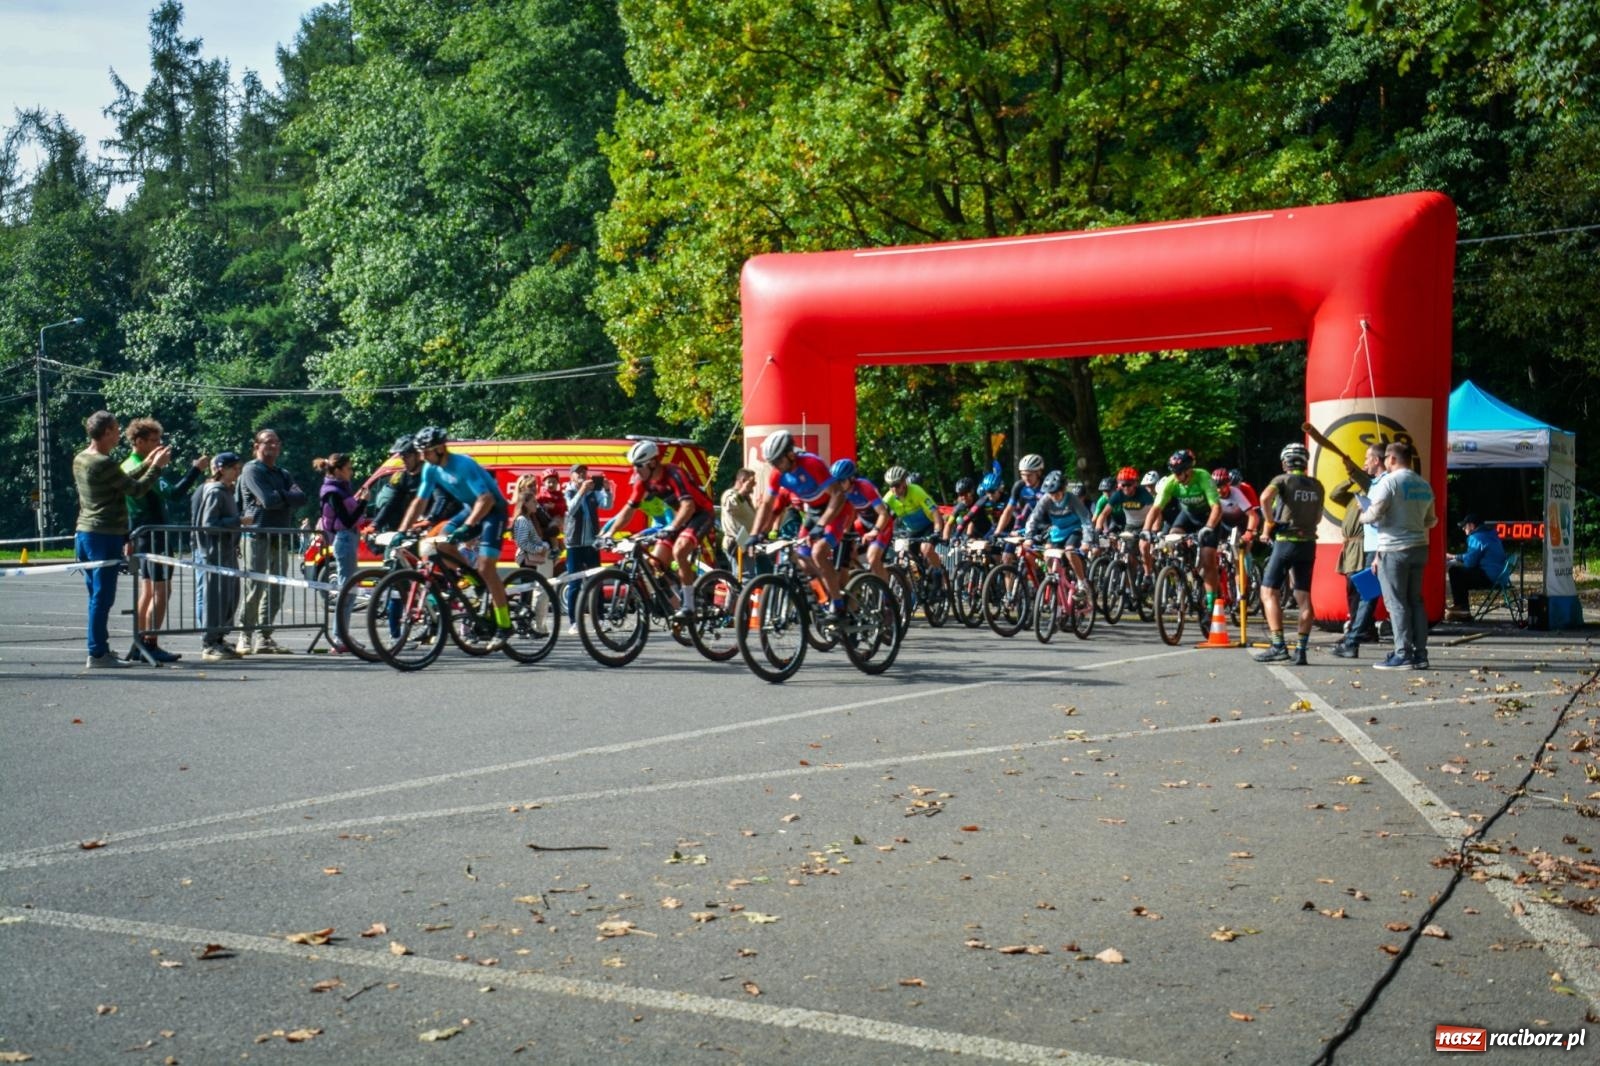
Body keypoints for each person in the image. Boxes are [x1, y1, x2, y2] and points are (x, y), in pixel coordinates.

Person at [397, 426, 515, 649]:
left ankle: (504, 625)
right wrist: (402, 530)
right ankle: (478, 583)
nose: (422, 457)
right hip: (470, 508)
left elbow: (486, 498)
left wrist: (468, 526)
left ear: (440, 449)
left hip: (493, 510)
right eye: (420, 452)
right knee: (438, 544)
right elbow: (419, 501)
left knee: (486, 566)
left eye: (426, 452)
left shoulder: (463, 464)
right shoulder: (430, 469)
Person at [72, 410, 172, 669]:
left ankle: (100, 649)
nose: (119, 435)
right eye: (116, 430)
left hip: (85, 533)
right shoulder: (102, 463)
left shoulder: (82, 458)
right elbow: (136, 489)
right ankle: (97, 652)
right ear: (105, 433)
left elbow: (122, 479)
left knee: (97, 596)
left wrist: (148, 462)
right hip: (103, 535)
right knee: (102, 598)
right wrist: (156, 468)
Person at [121, 417, 207, 663]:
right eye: (154, 441)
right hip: (154, 536)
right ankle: (150, 642)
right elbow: (175, 493)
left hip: (142, 534)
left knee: (148, 591)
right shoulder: (143, 468)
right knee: (161, 590)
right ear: (139, 442)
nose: (160, 445)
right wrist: (196, 469)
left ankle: (139, 642)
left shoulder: (127, 465)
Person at [605, 439, 717, 623]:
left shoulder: (674, 474)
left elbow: (688, 505)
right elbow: (629, 509)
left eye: (639, 466)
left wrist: (671, 528)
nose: (636, 471)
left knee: (680, 551)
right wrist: (608, 533)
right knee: (655, 563)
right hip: (681, 518)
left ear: (652, 462)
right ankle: (676, 598)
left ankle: (689, 606)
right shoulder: (643, 482)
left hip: (701, 514)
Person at [745, 430, 851, 621]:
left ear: (790, 454)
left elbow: (838, 495)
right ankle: (825, 593)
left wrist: (822, 524)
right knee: (800, 557)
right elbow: (768, 505)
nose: (775, 466)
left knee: (818, 552)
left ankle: (838, 604)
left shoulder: (812, 464)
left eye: (777, 461)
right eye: (772, 462)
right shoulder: (778, 475)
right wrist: (755, 534)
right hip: (812, 512)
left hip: (834, 510)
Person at [1361, 440, 1438, 670]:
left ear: (1392, 459)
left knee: (1396, 603)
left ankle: (1402, 653)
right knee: (1415, 601)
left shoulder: (1389, 482)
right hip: (1419, 547)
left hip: (1393, 548)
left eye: (1386, 458)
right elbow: (1431, 520)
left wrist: (1362, 513)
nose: (1385, 462)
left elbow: (1374, 514)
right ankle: (1420, 654)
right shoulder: (1424, 485)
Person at [1252, 443, 1324, 665]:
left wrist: (1271, 522)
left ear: (1285, 463)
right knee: (1303, 597)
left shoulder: (1282, 480)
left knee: (1268, 592)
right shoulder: (1317, 485)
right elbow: (1319, 516)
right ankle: (1301, 651)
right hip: (1309, 543)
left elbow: (1264, 498)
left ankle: (1278, 646)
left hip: (1286, 542)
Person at [237, 427, 307, 655]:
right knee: (255, 586)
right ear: (256, 446)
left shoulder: (282, 473)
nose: (273, 446)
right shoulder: (251, 470)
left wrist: (281, 496)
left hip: (280, 535)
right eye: (268, 442)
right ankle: (244, 635)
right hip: (257, 534)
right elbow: (267, 500)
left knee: (277, 587)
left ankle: (264, 637)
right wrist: (285, 496)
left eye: (276, 442)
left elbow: (301, 498)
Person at [1144, 448, 1223, 610]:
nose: (1177, 477)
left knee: (1209, 559)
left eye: (1180, 473)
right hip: (1187, 515)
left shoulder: (1202, 477)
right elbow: (1156, 508)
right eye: (1174, 473)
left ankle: (1211, 603)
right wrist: (1146, 529)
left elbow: (1217, 507)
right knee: (1172, 539)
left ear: (1189, 470)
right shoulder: (1171, 482)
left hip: (1208, 518)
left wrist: (1209, 526)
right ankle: (1183, 574)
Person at [192, 452, 252, 661]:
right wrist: (238, 521)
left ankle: (219, 638)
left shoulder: (227, 490)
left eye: (238, 467)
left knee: (229, 597)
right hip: (214, 554)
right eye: (233, 468)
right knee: (215, 598)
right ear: (220, 469)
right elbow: (208, 524)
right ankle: (210, 643)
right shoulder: (215, 491)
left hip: (225, 552)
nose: (237, 471)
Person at [1328, 444, 1384, 658]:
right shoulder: (1356, 495)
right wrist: (1350, 479)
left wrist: (1353, 470)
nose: (1365, 463)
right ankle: (1359, 631)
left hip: (1364, 545)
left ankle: (1359, 632)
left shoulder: (1374, 487)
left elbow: (1366, 480)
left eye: (1368, 458)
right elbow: (1334, 494)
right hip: (1352, 545)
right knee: (1357, 589)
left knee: (1362, 589)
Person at [562, 461, 614, 633]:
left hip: (591, 544)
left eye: (584, 472)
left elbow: (607, 505)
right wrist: (582, 491)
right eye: (578, 473)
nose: (582, 475)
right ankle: (574, 622)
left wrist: (606, 489)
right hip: (574, 544)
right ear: (572, 475)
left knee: (596, 581)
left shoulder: (593, 492)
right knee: (575, 583)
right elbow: (570, 509)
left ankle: (601, 619)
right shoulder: (567, 491)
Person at [1025, 470, 1093, 586]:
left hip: (1074, 530)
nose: (1054, 497)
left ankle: (1082, 582)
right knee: (1048, 552)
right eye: (1051, 494)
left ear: (1063, 490)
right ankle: (1054, 582)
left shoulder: (1072, 499)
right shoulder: (1046, 499)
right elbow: (1034, 517)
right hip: (1057, 531)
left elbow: (1086, 520)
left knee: (1070, 551)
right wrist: (1029, 537)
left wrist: (1086, 541)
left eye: (1056, 494)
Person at [314, 453, 368, 596]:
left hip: (349, 539)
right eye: (348, 468)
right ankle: (339, 619)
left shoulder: (342, 489)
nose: (351, 472)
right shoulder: (333, 493)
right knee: (347, 591)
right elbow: (347, 521)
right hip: (344, 540)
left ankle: (342, 618)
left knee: (349, 590)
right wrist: (363, 502)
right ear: (338, 471)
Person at [882, 465, 944, 580]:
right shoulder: (888, 498)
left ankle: (940, 573)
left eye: (896, 485)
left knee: (926, 549)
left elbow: (935, 513)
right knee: (909, 557)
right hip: (912, 530)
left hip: (928, 526)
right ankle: (918, 581)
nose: (893, 489)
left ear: (904, 483)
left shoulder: (916, 491)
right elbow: (880, 516)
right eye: (891, 486)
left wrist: (937, 531)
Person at [1446, 514, 1506, 622]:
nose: (1463, 529)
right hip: (1501, 577)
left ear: (1472, 526)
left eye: (1465, 526)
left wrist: (1454, 558)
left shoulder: (1476, 537)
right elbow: (1473, 557)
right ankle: (1462, 608)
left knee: (1455, 572)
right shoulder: (1491, 534)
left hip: (1489, 577)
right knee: (1461, 573)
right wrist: (1458, 558)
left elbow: (1470, 563)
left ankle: (1462, 609)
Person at [368, 435, 423, 532]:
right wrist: (375, 525)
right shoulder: (403, 477)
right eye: (402, 456)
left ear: (418, 455)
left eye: (407, 456)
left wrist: (428, 520)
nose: (403, 460)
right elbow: (392, 502)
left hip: (433, 524)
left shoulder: (432, 474)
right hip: (410, 527)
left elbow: (440, 500)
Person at [509, 475, 557, 574]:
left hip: (539, 553)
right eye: (530, 486)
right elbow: (524, 540)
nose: (534, 488)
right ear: (522, 488)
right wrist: (542, 546)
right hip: (531, 555)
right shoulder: (524, 513)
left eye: (535, 485)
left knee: (538, 585)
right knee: (532, 585)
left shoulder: (536, 505)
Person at [720, 468, 760, 577]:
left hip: (746, 543)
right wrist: (743, 489)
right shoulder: (730, 494)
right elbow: (730, 504)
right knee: (743, 578)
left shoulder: (745, 499)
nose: (754, 485)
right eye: (752, 482)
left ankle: (737, 594)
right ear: (743, 480)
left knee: (743, 579)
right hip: (736, 543)